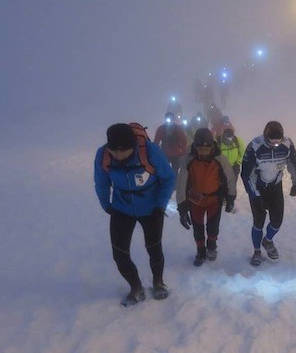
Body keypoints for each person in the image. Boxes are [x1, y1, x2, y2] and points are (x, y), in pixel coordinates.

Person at [94, 123, 176, 306]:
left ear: (133, 146)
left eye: (122, 151)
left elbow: (168, 178)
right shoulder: (103, 155)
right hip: (121, 208)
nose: (117, 155)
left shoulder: (151, 152)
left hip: (151, 208)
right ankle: (136, 288)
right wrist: (106, 205)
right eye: (113, 150)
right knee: (119, 254)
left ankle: (158, 282)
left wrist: (160, 205)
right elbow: (101, 182)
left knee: (154, 247)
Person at [241, 121, 296, 266]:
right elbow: (246, 174)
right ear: (265, 136)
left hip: (275, 186)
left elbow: (293, 164)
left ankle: (267, 241)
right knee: (259, 221)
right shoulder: (254, 146)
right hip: (257, 187)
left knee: (277, 220)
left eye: (277, 140)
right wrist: (254, 195)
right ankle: (256, 251)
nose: (275, 143)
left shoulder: (287, 144)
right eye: (271, 140)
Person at [177, 128, 237, 266]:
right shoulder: (188, 160)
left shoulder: (220, 159)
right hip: (195, 199)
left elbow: (230, 179)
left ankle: (211, 245)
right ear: (195, 147)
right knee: (197, 227)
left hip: (214, 199)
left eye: (207, 148)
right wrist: (181, 205)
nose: (203, 151)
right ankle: (200, 250)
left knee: (213, 226)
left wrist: (230, 197)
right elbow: (181, 182)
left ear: (212, 146)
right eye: (200, 149)